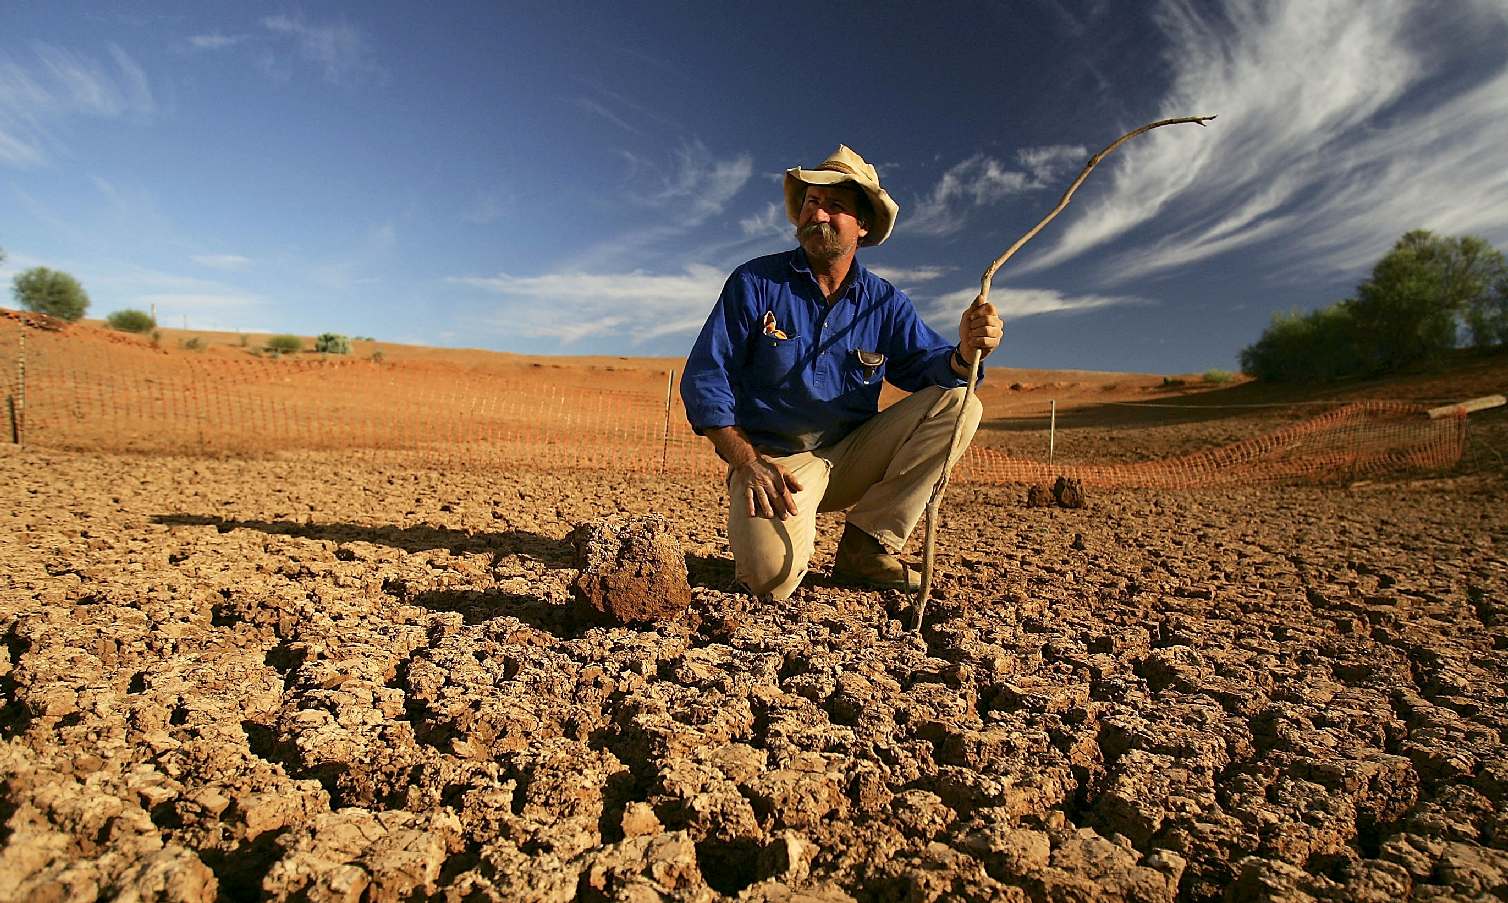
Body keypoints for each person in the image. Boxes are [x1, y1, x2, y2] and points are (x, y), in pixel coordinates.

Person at [681, 144, 1002, 600]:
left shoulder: (884, 302)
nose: (820, 214)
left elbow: (929, 368)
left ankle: (866, 549)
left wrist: (968, 352)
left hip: (852, 455)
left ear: (863, 225)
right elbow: (706, 374)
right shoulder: (755, 283)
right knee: (767, 584)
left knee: (960, 402)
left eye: (836, 206)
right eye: (812, 202)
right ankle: (785, 535)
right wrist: (746, 461)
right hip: (777, 466)